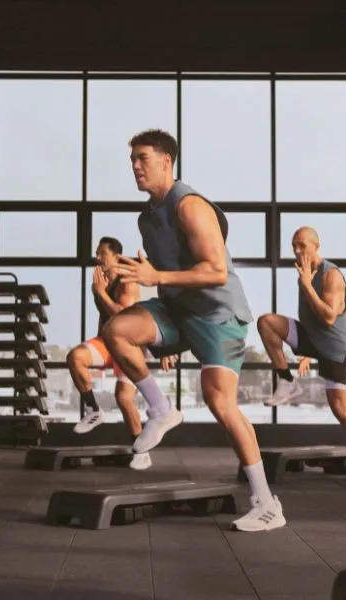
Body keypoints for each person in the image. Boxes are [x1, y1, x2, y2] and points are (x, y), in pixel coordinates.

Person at [103, 129, 286, 533]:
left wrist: (156, 275)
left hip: (218, 315)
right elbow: (164, 273)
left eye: (143, 158)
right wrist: (150, 282)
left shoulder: (191, 206)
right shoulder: (146, 217)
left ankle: (266, 501)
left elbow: (215, 271)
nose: (135, 165)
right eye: (131, 158)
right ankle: (161, 409)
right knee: (117, 331)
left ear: (166, 161)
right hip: (177, 310)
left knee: (220, 402)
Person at [256, 227, 346, 484]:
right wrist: (305, 351)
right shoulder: (305, 274)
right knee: (267, 323)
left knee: (340, 408)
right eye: (294, 245)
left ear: (316, 247)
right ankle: (287, 381)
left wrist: (306, 286)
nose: (297, 251)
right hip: (313, 339)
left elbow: (328, 318)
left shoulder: (331, 276)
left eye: (302, 245)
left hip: (335, 348)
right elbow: (311, 318)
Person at [67, 237, 152, 469]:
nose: (98, 257)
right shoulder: (102, 281)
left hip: (128, 344)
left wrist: (100, 293)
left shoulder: (127, 282)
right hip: (106, 342)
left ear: (116, 256)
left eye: (102, 253)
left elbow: (122, 317)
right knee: (74, 357)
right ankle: (94, 410)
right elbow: (104, 316)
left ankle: (142, 450)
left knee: (123, 397)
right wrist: (99, 292)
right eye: (97, 252)